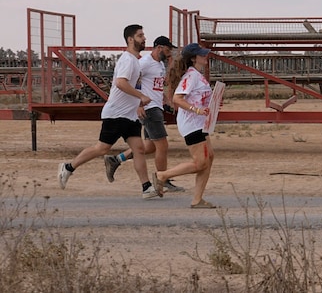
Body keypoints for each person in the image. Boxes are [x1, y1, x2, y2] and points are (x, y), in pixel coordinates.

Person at [58, 24, 159, 199]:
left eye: (144, 35)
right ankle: (68, 168)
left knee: (139, 149)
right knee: (102, 148)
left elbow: (133, 84)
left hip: (130, 115)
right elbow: (121, 83)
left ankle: (146, 187)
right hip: (116, 114)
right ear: (130, 39)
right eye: (141, 35)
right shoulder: (127, 59)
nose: (144, 38)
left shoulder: (135, 61)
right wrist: (141, 96)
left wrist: (139, 104)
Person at [103, 36, 185, 193]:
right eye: (168, 50)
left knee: (149, 146)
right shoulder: (144, 63)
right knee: (163, 145)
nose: (169, 54)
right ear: (159, 47)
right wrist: (138, 104)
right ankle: (163, 179)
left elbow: (157, 86)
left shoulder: (160, 64)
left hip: (156, 106)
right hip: (149, 109)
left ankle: (115, 160)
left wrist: (167, 100)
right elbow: (132, 81)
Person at [152, 43, 216, 208]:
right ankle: (162, 175)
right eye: (202, 54)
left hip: (200, 123)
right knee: (200, 163)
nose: (205, 56)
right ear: (194, 58)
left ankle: (197, 200)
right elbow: (177, 99)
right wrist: (197, 110)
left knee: (209, 158)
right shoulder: (191, 76)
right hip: (192, 124)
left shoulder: (196, 75)